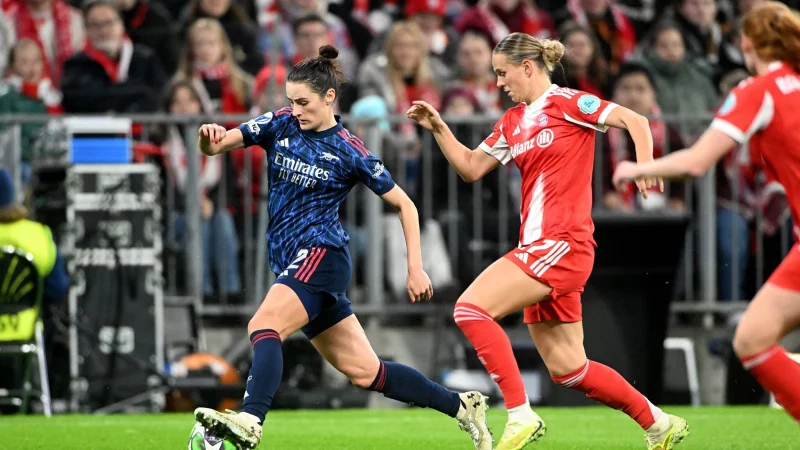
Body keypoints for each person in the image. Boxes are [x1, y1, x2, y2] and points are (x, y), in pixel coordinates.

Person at [191, 45, 493, 450]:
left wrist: (415, 268)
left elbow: (405, 204)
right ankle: (461, 406)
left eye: (304, 102)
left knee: (263, 326)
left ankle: (250, 420)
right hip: (293, 261)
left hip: (322, 255)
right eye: (291, 101)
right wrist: (208, 140)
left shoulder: (350, 149)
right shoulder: (280, 123)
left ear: (329, 97)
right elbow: (221, 144)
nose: (296, 109)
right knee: (367, 373)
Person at [408, 32, 690, 450]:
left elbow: (636, 120)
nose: (499, 82)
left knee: (469, 309)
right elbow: (470, 166)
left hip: (562, 244)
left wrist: (645, 163)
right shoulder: (512, 121)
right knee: (569, 369)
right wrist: (439, 128)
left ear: (528, 67)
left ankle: (519, 413)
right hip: (539, 248)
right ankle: (658, 423)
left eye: (503, 73)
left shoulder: (570, 103)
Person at [613, 1, 800, 424]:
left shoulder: (759, 90)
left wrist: (637, 167)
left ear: (747, 44)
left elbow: (697, 161)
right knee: (752, 337)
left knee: (752, 340)